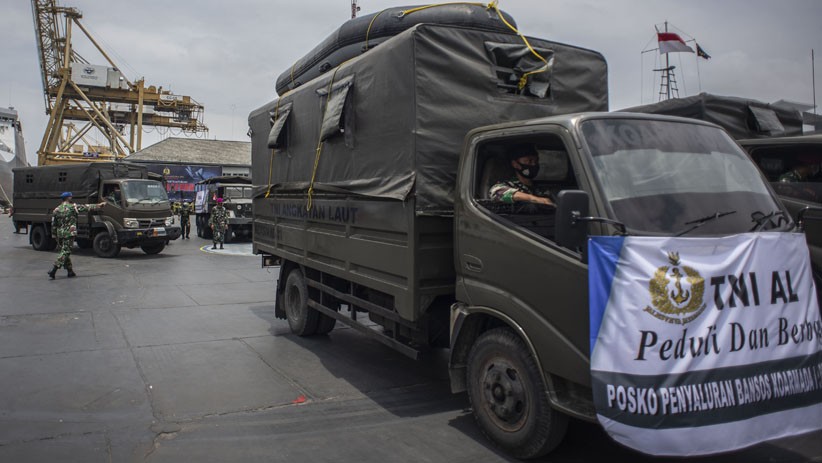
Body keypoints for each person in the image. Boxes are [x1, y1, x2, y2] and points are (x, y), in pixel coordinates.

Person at [48, 192, 106, 279]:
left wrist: (54, 234)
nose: (71, 197)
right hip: (69, 233)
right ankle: (54, 269)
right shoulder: (72, 207)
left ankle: (70, 271)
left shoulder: (56, 209)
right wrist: (100, 205)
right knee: (66, 252)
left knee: (64, 251)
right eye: (70, 196)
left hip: (60, 234)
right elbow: (87, 207)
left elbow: (54, 224)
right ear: (68, 198)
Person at [489, 145, 555, 206]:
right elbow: (498, 193)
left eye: (536, 161)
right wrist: (534, 198)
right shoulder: (507, 185)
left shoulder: (541, 189)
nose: (534, 164)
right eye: (529, 161)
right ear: (515, 164)